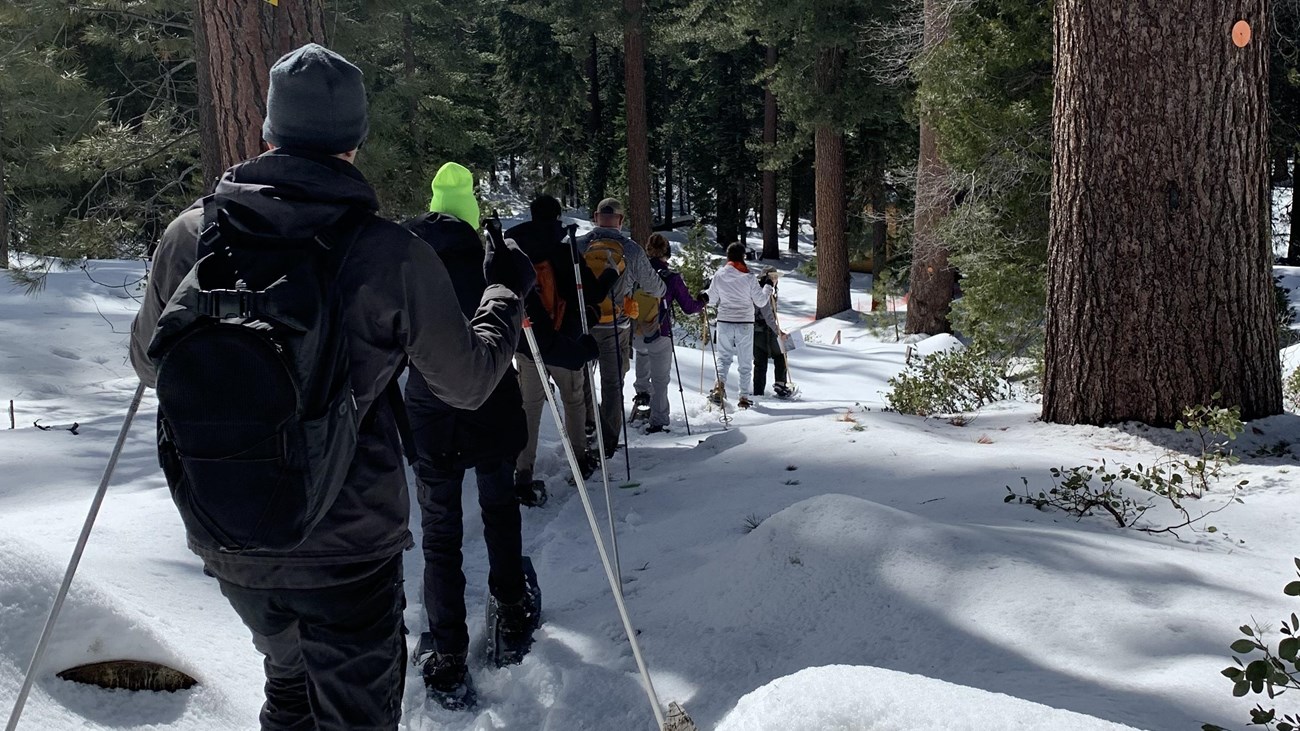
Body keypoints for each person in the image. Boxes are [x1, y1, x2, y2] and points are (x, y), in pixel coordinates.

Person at [129, 44, 532, 731]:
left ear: (268, 131)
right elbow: (467, 381)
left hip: (230, 529)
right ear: (355, 140)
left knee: (289, 686)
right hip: (348, 546)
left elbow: (148, 361)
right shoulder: (388, 253)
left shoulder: (192, 233)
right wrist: (502, 293)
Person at [402, 163, 542, 710]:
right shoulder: (493, 257)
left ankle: (447, 651)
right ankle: (510, 605)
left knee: (440, 529)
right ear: (471, 210)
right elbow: (513, 313)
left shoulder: (406, 252)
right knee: (499, 505)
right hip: (488, 393)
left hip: (428, 403)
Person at [507, 195, 601, 489]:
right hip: (564, 340)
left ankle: (523, 471)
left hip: (528, 339)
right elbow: (587, 292)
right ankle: (579, 458)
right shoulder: (564, 245)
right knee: (573, 400)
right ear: (557, 215)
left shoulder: (513, 245)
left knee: (529, 407)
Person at [577, 198, 665, 458]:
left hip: (584, 322)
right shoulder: (630, 249)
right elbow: (654, 287)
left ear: (595, 216)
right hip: (616, 325)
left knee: (583, 378)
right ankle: (609, 440)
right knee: (612, 383)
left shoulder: (579, 244)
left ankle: (587, 423)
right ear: (621, 220)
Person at [630, 233, 708, 433]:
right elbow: (689, 307)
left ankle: (641, 396)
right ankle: (658, 419)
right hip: (659, 332)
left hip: (636, 333)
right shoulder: (671, 278)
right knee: (660, 379)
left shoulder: (637, 273)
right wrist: (702, 302)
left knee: (642, 353)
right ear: (667, 252)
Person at [707, 242, 780, 409]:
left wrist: (704, 294)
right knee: (745, 361)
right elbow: (761, 302)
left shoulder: (719, 275)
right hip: (745, 323)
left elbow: (710, 300)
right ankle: (744, 397)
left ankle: (719, 386)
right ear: (743, 257)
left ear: (728, 257)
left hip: (725, 321)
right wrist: (768, 286)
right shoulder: (749, 278)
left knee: (723, 358)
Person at [752, 266, 790, 398]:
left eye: (776, 277)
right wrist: (778, 331)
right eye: (772, 277)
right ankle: (780, 383)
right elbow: (768, 315)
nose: (775, 279)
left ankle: (758, 392)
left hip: (754, 331)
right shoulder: (765, 293)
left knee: (760, 362)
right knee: (781, 354)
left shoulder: (756, 290)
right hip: (764, 331)